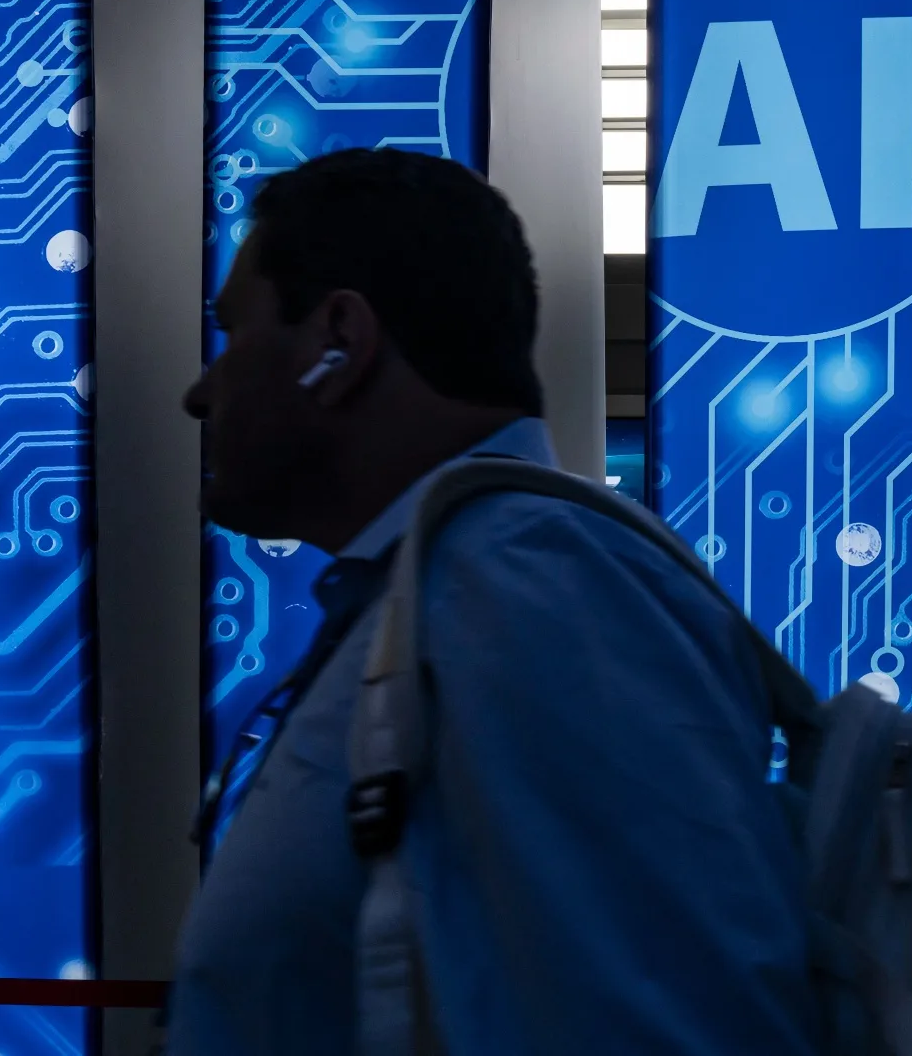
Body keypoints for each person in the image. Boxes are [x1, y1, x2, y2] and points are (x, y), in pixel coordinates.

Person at [167, 149, 817, 1054]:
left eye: (232, 336)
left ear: (338, 346)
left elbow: (664, 1025)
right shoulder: (456, 588)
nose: (202, 393)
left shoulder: (528, 585)